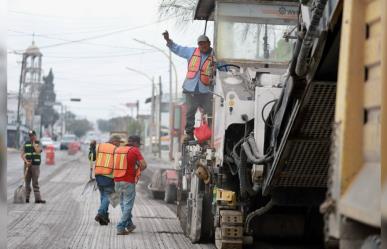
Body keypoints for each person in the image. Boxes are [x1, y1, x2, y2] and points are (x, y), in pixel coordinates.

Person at [163, 30, 214, 142]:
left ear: (209, 43)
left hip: (206, 90)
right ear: (198, 45)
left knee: (211, 111)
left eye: (204, 43)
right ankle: (189, 134)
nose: (203, 46)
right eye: (200, 44)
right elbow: (178, 49)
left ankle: (210, 133)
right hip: (191, 89)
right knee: (191, 110)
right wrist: (168, 40)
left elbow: (223, 67)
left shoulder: (215, 55)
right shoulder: (191, 51)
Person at [113, 135, 147, 235]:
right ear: (135, 143)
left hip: (117, 180)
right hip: (128, 181)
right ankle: (120, 226)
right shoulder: (134, 150)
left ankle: (129, 224)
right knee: (128, 204)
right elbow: (144, 165)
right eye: (139, 144)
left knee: (123, 203)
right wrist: (137, 168)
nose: (139, 147)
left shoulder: (118, 150)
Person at [94, 135, 121, 225]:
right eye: (118, 142)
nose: (119, 145)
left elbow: (91, 157)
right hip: (109, 175)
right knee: (108, 196)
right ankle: (101, 213)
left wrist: (91, 148)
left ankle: (104, 217)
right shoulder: (115, 149)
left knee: (103, 195)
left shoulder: (99, 146)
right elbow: (117, 164)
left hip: (98, 174)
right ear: (114, 141)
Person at [21, 130, 46, 204]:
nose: (31, 137)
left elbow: (38, 151)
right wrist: (26, 161)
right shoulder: (26, 143)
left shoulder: (39, 143)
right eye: (30, 136)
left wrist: (34, 144)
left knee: (35, 183)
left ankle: (37, 199)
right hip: (27, 165)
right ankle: (26, 198)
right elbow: (22, 154)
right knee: (27, 183)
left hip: (35, 166)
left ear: (35, 135)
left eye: (32, 135)